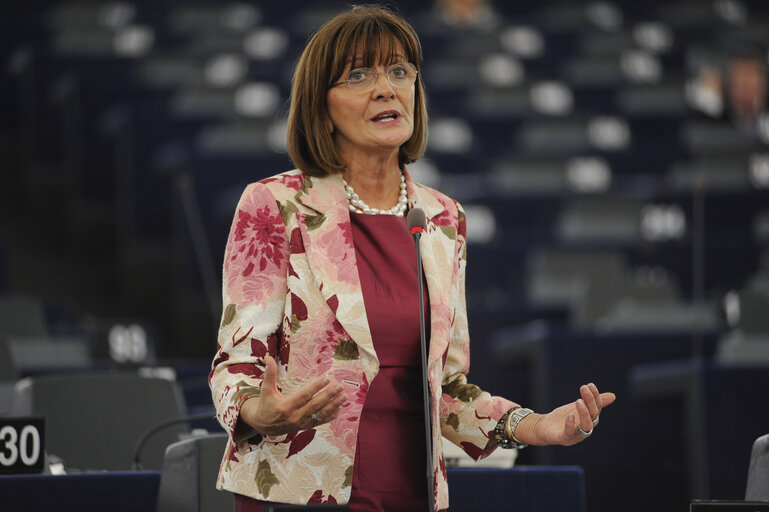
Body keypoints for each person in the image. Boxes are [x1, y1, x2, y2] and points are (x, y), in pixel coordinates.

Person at [209, 5, 616, 511]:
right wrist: (257, 411)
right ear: (321, 105)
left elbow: (445, 389)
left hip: (412, 494)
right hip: (300, 493)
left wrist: (533, 426)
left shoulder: (444, 219)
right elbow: (237, 366)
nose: (386, 88)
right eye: (359, 74)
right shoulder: (274, 205)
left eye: (399, 71)